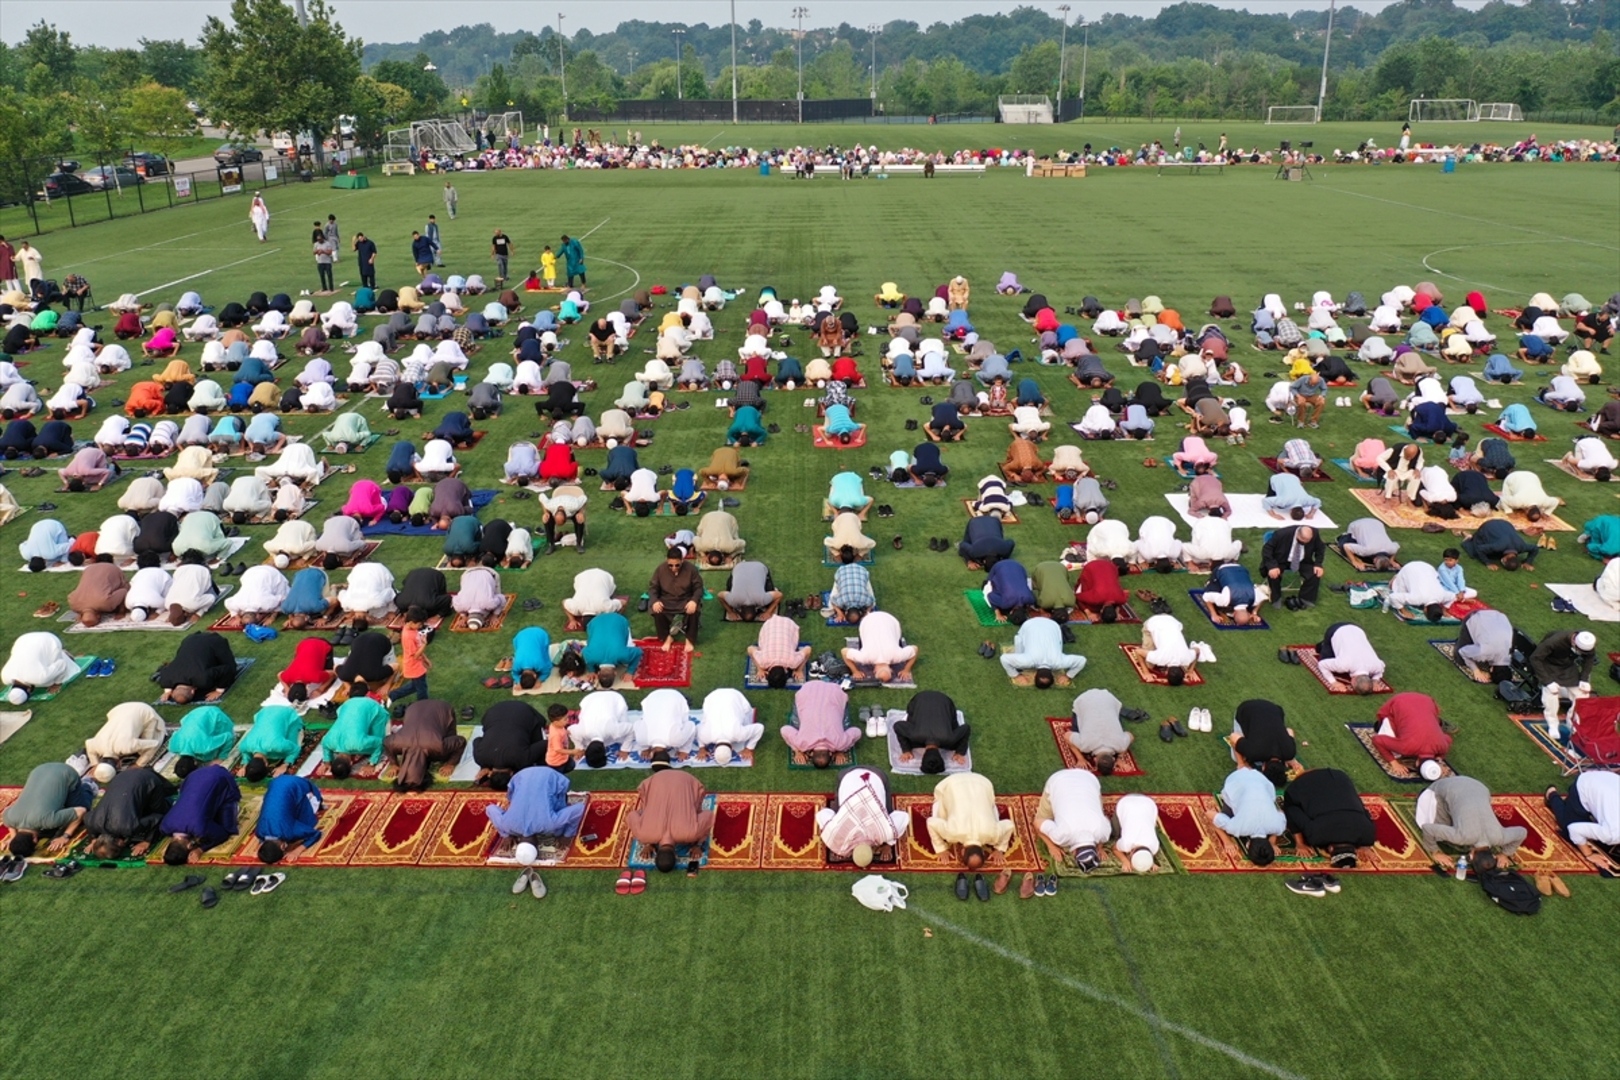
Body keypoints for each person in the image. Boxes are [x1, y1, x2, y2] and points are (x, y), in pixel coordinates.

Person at [627, 757, 712, 873]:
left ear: (676, 855)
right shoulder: (643, 835)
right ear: (656, 853)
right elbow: (632, 814)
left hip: (687, 781)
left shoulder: (692, 834)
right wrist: (648, 839)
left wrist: (698, 843)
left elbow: (708, 815)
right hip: (658, 779)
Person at [926, 771, 1014, 882]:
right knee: (939, 814)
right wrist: (941, 848)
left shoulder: (993, 835)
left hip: (983, 781)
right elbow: (930, 822)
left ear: (982, 851)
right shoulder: (951, 834)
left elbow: (1009, 825)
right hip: (951, 782)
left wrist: (999, 848)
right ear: (962, 852)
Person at [1282, 768, 1376, 871]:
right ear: (1331, 849)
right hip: (1305, 781)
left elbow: (1365, 812)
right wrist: (1300, 844)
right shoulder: (1317, 836)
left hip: (1339, 776)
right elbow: (1292, 811)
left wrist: (1364, 845)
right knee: (1290, 802)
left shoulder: (1368, 835)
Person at [816, 766, 910, 866]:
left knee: (888, 816)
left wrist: (888, 842)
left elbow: (904, 817)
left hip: (875, 775)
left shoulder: (883, 833)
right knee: (837, 814)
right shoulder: (838, 835)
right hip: (848, 775)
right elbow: (822, 814)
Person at [80, 766, 178, 860]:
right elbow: (87, 819)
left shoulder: (128, 827)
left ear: (119, 842)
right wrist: (93, 839)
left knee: (164, 811)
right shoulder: (92, 822)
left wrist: (147, 841)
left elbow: (158, 817)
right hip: (122, 776)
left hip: (148, 781)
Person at [158, 762, 241, 865]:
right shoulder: (164, 826)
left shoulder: (199, 828)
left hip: (221, 776)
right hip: (193, 776)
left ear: (189, 846)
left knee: (229, 828)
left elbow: (222, 835)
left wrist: (201, 849)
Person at [1034, 768, 1111, 872]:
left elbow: (1104, 832)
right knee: (1043, 818)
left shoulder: (1103, 832)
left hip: (1089, 778)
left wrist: (1100, 847)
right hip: (1057, 781)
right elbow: (1037, 823)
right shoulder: (1061, 836)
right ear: (1074, 853)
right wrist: (1051, 846)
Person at [382, 698, 466, 792]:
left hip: (442, 708)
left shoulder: (439, 747)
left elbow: (460, 741)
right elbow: (386, 742)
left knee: (446, 754)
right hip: (413, 708)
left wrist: (451, 763)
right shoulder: (396, 743)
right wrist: (394, 764)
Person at [1546, 772, 1620, 872]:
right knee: (1567, 825)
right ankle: (1552, 794)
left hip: (1608, 779)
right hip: (1585, 784)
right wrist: (1589, 854)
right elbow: (1574, 829)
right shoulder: (1613, 834)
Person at [1530, 629, 1597, 731]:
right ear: (1574, 643)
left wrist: (1584, 679)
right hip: (1548, 663)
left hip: (1567, 666)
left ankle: (1572, 720)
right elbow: (1535, 658)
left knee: (1583, 694)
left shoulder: (1587, 644)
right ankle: (1552, 723)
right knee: (1551, 692)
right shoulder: (1555, 641)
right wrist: (1547, 681)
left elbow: (1589, 659)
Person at [1372, 692, 1452, 778]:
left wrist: (1439, 759)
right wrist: (1394, 763)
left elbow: (1448, 739)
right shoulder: (1406, 748)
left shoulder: (1442, 746)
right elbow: (1377, 740)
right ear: (1417, 763)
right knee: (1395, 753)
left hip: (1427, 701)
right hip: (1399, 702)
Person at [893, 690, 969, 774]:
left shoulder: (950, 739)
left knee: (953, 726)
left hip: (936, 699)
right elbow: (897, 726)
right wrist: (960, 752)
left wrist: (960, 752)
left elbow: (966, 728)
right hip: (925, 699)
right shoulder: (915, 735)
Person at [999, 615, 1085, 688]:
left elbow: (1082, 660)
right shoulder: (1028, 661)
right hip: (1033, 624)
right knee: (1019, 650)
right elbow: (1004, 659)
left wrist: (1068, 675)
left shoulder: (1060, 662)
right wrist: (1015, 675)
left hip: (1052, 625)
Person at [648, 544, 704, 650]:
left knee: (694, 609)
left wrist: (693, 600)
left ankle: (689, 639)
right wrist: (655, 600)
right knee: (657, 609)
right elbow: (653, 588)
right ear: (667, 561)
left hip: (685, 599)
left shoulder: (691, 569)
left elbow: (698, 587)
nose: (674, 568)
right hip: (666, 599)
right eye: (670, 565)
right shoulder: (660, 569)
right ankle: (667, 638)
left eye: (677, 565)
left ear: (682, 560)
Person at [156, 632, 238, 705]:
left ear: (193, 691)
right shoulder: (166, 679)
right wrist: (167, 691)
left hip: (214, 641)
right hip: (190, 639)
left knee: (231, 666)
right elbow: (164, 672)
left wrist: (219, 691)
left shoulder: (203, 679)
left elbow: (226, 669)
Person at [841, 610, 918, 685]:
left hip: (885, 619)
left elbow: (915, 649)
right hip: (873, 620)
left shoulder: (898, 656)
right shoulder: (864, 658)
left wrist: (906, 670)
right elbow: (844, 651)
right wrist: (855, 672)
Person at [1067, 688, 1134, 773]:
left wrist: (1120, 756)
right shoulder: (1084, 745)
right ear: (1095, 760)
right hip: (1084, 700)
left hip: (1108, 698)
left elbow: (1130, 736)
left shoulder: (1121, 745)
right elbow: (1067, 736)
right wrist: (1080, 758)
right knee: (1076, 731)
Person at [84, 702, 168, 770]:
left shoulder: (127, 746)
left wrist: (139, 764)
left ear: (119, 764)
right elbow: (88, 743)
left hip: (144, 710)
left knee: (144, 750)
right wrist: (95, 764)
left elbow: (154, 744)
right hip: (119, 709)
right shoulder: (96, 745)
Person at [1261, 524, 1324, 609]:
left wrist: (1318, 564)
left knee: (1315, 573)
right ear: (1298, 533)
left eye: (1308, 540)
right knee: (1274, 574)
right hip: (1281, 560)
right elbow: (1267, 549)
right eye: (1303, 539)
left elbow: (1320, 548)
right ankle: (1276, 598)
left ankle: (1306, 598)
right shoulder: (1281, 534)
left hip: (1302, 560)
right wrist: (1272, 566)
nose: (1305, 542)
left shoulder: (1315, 533)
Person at [1313, 622, 1385, 694]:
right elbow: (1322, 664)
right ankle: (1325, 644)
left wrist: (1375, 680)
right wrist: (1334, 682)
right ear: (1353, 682)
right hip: (1336, 630)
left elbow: (1382, 666)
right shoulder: (1343, 665)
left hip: (1357, 629)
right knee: (1324, 657)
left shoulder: (1376, 666)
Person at [696, 687, 764, 762]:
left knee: (746, 721)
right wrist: (701, 748)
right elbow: (698, 728)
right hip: (713, 696)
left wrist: (749, 748)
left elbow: (760, 728)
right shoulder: (706, 737)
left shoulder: (739, 735)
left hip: (734, 696)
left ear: (732, 748)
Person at [582, 610, 642, 685]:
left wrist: (630, 671)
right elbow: (584, 651)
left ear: (615, 672)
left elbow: (638, 652)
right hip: (595, 621)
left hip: (619, 620)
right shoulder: (590, 657)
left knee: (626, 663)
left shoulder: (623, 655)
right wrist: (591, 670)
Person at [1140, 612, 1196, 683]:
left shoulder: (1187, 658)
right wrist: (1146, 672)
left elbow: (1197, 650)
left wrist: (1190, 670)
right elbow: (1138, 651)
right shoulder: (1159, 658)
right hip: (1154, 622)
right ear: (1166, 672)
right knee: (1148, 665)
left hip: (1173, 621)